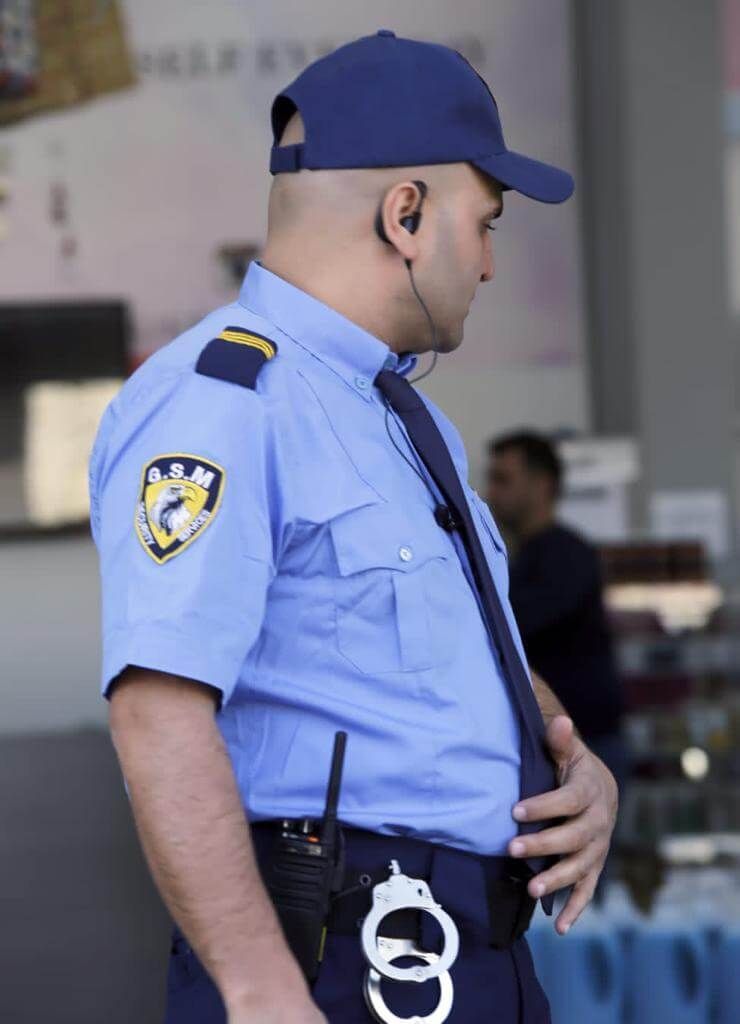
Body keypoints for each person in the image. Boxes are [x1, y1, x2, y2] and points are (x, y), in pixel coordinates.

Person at [90, 31, 618, 1024]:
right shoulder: (224, 401)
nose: (492, 263)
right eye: (486, 221)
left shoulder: (398, 416)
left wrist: (569, 760)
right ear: (406, 215)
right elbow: (158, 709)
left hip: (468, 947)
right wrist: (259, 990)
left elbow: (450, 649)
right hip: (345, 955)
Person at [486, 431, 628, 801]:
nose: (490, 492)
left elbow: (512, 629)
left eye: (503, 479)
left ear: (541, 485)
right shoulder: (515, 558)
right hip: (545, 744)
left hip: (586, 745)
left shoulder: (568, 556)